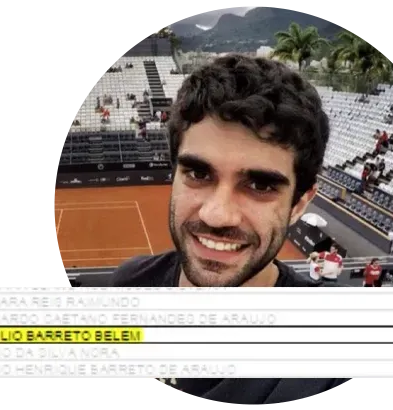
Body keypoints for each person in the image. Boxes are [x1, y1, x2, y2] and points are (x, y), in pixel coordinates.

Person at [109, 54, 349, 405]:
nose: (217, 215)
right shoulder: (128, 285)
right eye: (198, 173)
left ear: (299, 203)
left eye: (261, 185)